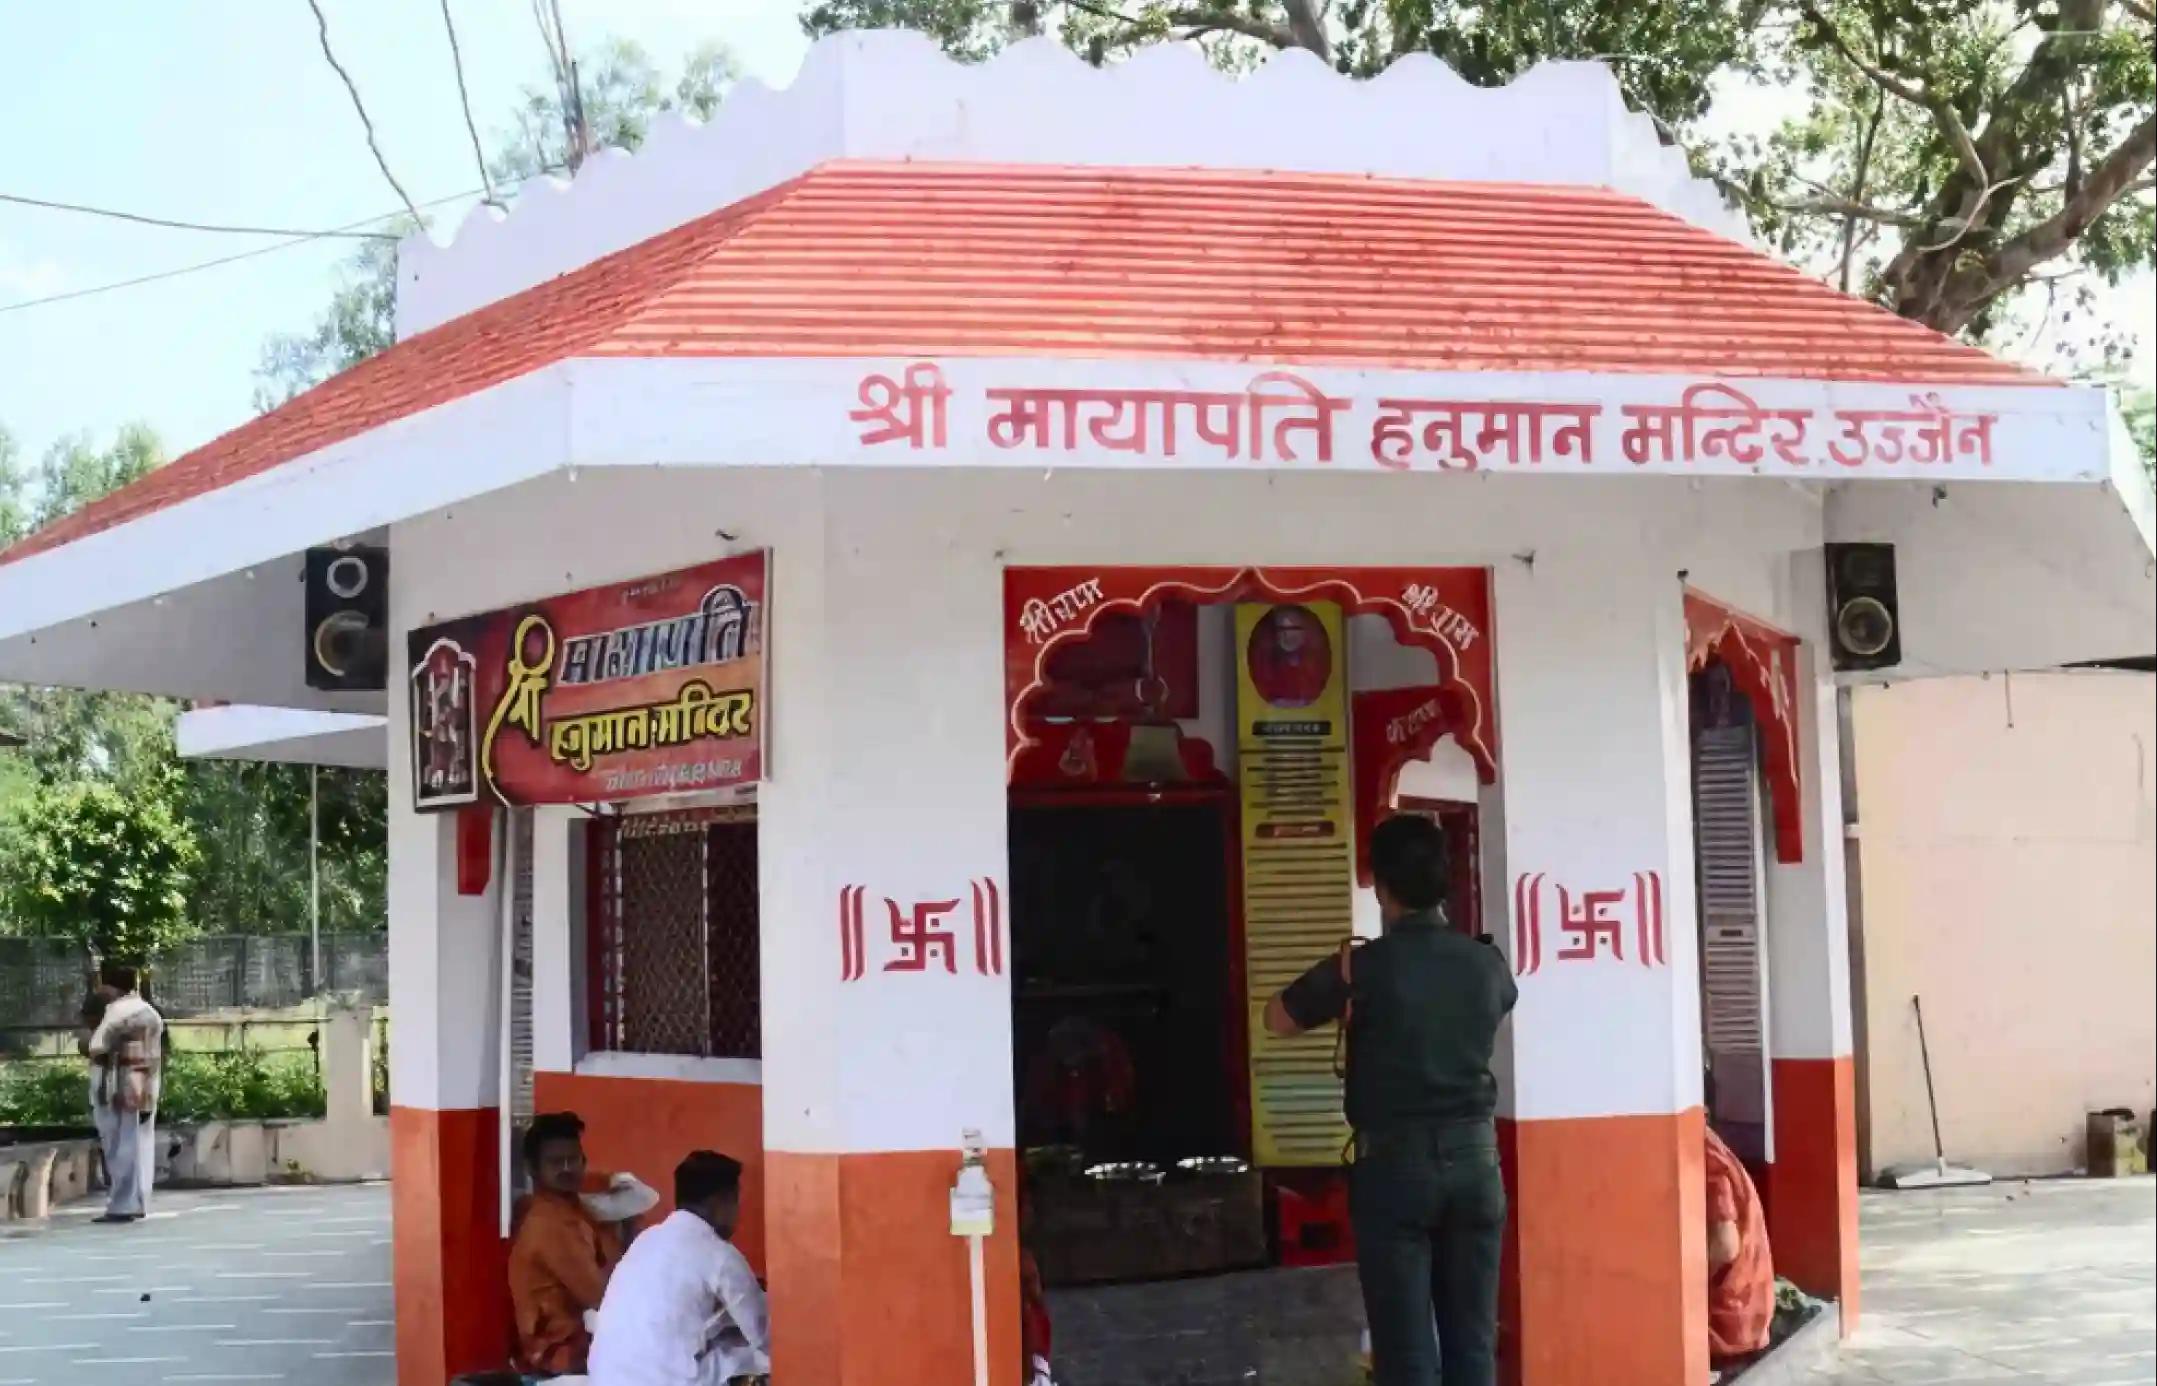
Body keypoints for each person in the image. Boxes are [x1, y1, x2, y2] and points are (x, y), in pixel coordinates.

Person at [1264, 814, 1517, 1386]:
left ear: (1380, 887)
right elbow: (1503, 999)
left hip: (1394, 1170)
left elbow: (1276, 1017)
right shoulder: (1486, 964)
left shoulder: (1361, 967)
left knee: (1407, 1356)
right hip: (1477, 1162)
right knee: (1473, 1345)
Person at [588, 1150, 771, 1386]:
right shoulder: (719, 1254)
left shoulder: (647, 1240)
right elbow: (764, 1335)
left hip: (606, 1377)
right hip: (666, 1380)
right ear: (722, 1201)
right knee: (752, 1355)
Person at [510, 1112, 624, 1376]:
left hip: (581, 1344)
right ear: (532, 1168)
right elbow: (604, 1297)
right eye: (555, 1162)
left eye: (572, 1160)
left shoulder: (571, 1208)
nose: (566, 1169)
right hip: (560, 1357)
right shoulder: (548, 1223)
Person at [84, 965, 163, 1224]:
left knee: (118, 1146)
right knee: (140, 1143)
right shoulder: (150, 1011)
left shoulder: (117, 1011)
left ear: (111, 985)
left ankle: (121, 1205)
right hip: (146, 1084)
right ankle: (139, 1201)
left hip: (116, 1085)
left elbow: (97, 1046)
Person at [1704, 1124, 1774, 1362]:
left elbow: (1725, 1247)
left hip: (1729, 1324)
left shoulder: (1704, 1155)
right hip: (1747, 1317)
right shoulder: (1710, 1146)